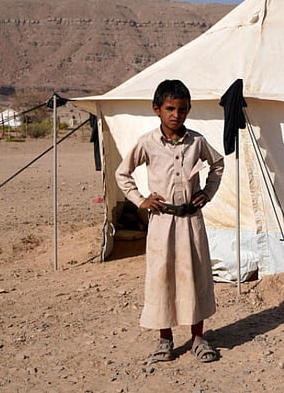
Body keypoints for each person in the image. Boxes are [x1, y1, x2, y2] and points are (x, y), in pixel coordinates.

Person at [116, 79, 225, 363]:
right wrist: (141, 200)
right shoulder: (148, 143)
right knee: (162, 277)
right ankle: (165, 340)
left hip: (191, 221)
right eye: (170, 108)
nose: (177, 115)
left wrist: (207, 193)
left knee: (195, 276)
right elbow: (122, 174)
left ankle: (199, 338)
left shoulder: (197, 142)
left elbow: (218, 164)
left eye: (183, 109)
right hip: (162, 222)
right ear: (157, 110)